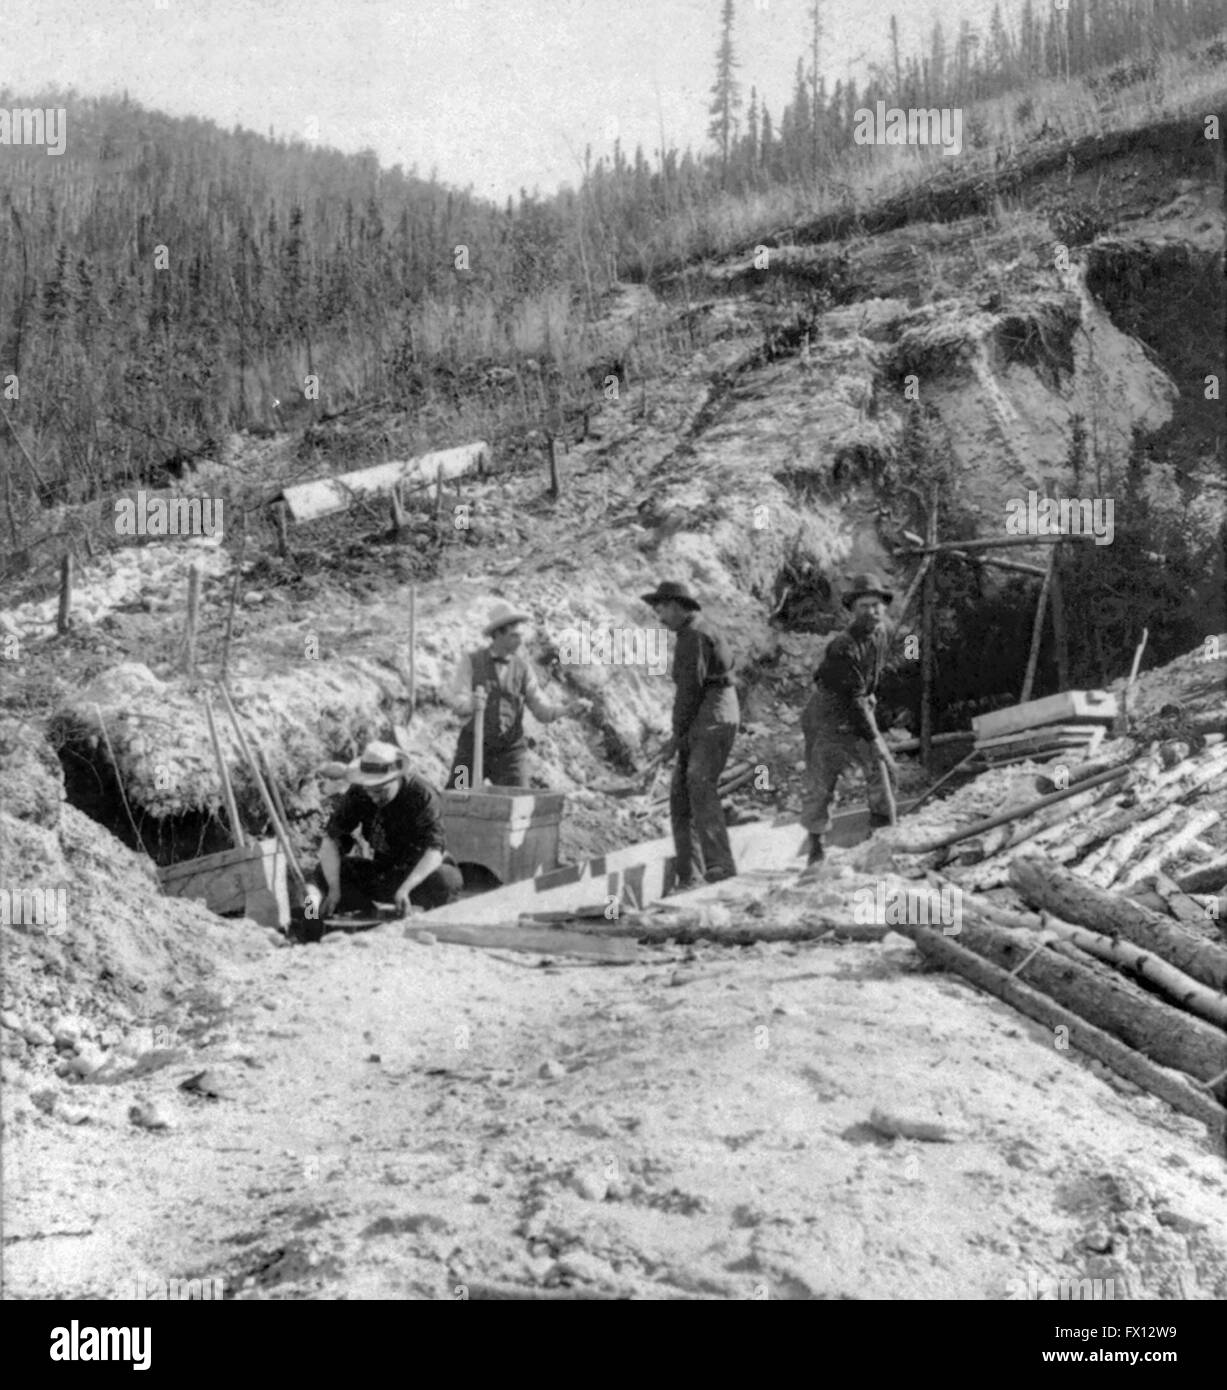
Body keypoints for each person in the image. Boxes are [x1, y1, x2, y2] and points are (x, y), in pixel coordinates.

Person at [641, 580, 739, 891]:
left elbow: (688, 692)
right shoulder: (692, 632)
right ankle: (690, 874)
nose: (659, 615)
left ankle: (720, 866)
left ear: (679, 607)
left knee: (699, 784)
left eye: (663, 607)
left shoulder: (693, 636)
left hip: (712, 715)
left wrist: (675, 737)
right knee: (680, 795)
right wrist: (680, 736)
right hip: (707, 714)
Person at [800, 572, 900, 866]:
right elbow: (852, 699)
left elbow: (869, 682)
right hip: (827, 719)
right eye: (864, 606)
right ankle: (816, 847)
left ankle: (881, 838)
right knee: (823, 782)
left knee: (884, 772)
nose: (872, 611)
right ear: (853, 611)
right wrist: (875, 740)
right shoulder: (843, 646)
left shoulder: (882, 632)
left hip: (857, 708)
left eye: (876, 605)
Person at [305, 740, 463, 919]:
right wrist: (334, 888)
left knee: (446, 879)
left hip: (418, 874)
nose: (373, 797)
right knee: (324, 871)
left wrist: (405, 889)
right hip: (384, 870)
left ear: (395, 779)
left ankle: (432, 919)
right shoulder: (360, 791)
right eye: (370, 791)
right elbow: (332, 838)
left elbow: (434, 850)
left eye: (380, 791)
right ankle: (360, 917)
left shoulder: (421, 795)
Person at [446, 601, 589, 790]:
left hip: (509, 752)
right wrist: (470, 704)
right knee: (457, 797)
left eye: (520, 635)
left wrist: (568, 709)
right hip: (471, 748)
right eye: (514, 636)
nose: (520, 641)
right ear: (497, 635)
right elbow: (457, 700)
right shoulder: (471, 661)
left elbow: (541, 710)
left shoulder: (523, 668)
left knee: (519, 801)